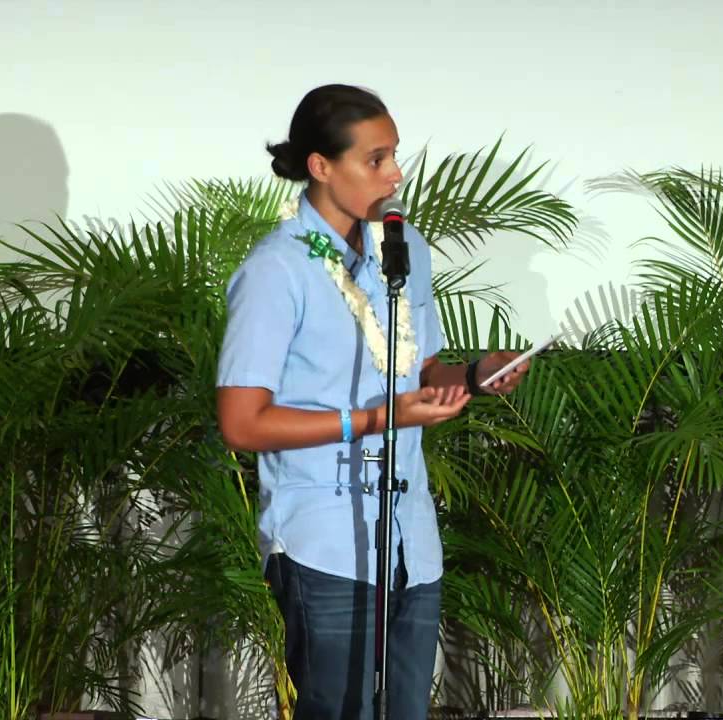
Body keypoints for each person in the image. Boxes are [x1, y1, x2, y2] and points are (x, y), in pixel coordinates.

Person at [215, 84, 528, 719]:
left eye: (395, 156)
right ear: (321, 167)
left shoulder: (401, 245)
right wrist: (377, 420)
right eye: (377, 159)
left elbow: (420, 365)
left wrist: (473, 374)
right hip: (323, 542)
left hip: (411, 539)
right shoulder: (277, 269)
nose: (396, 173)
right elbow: (241, 423)